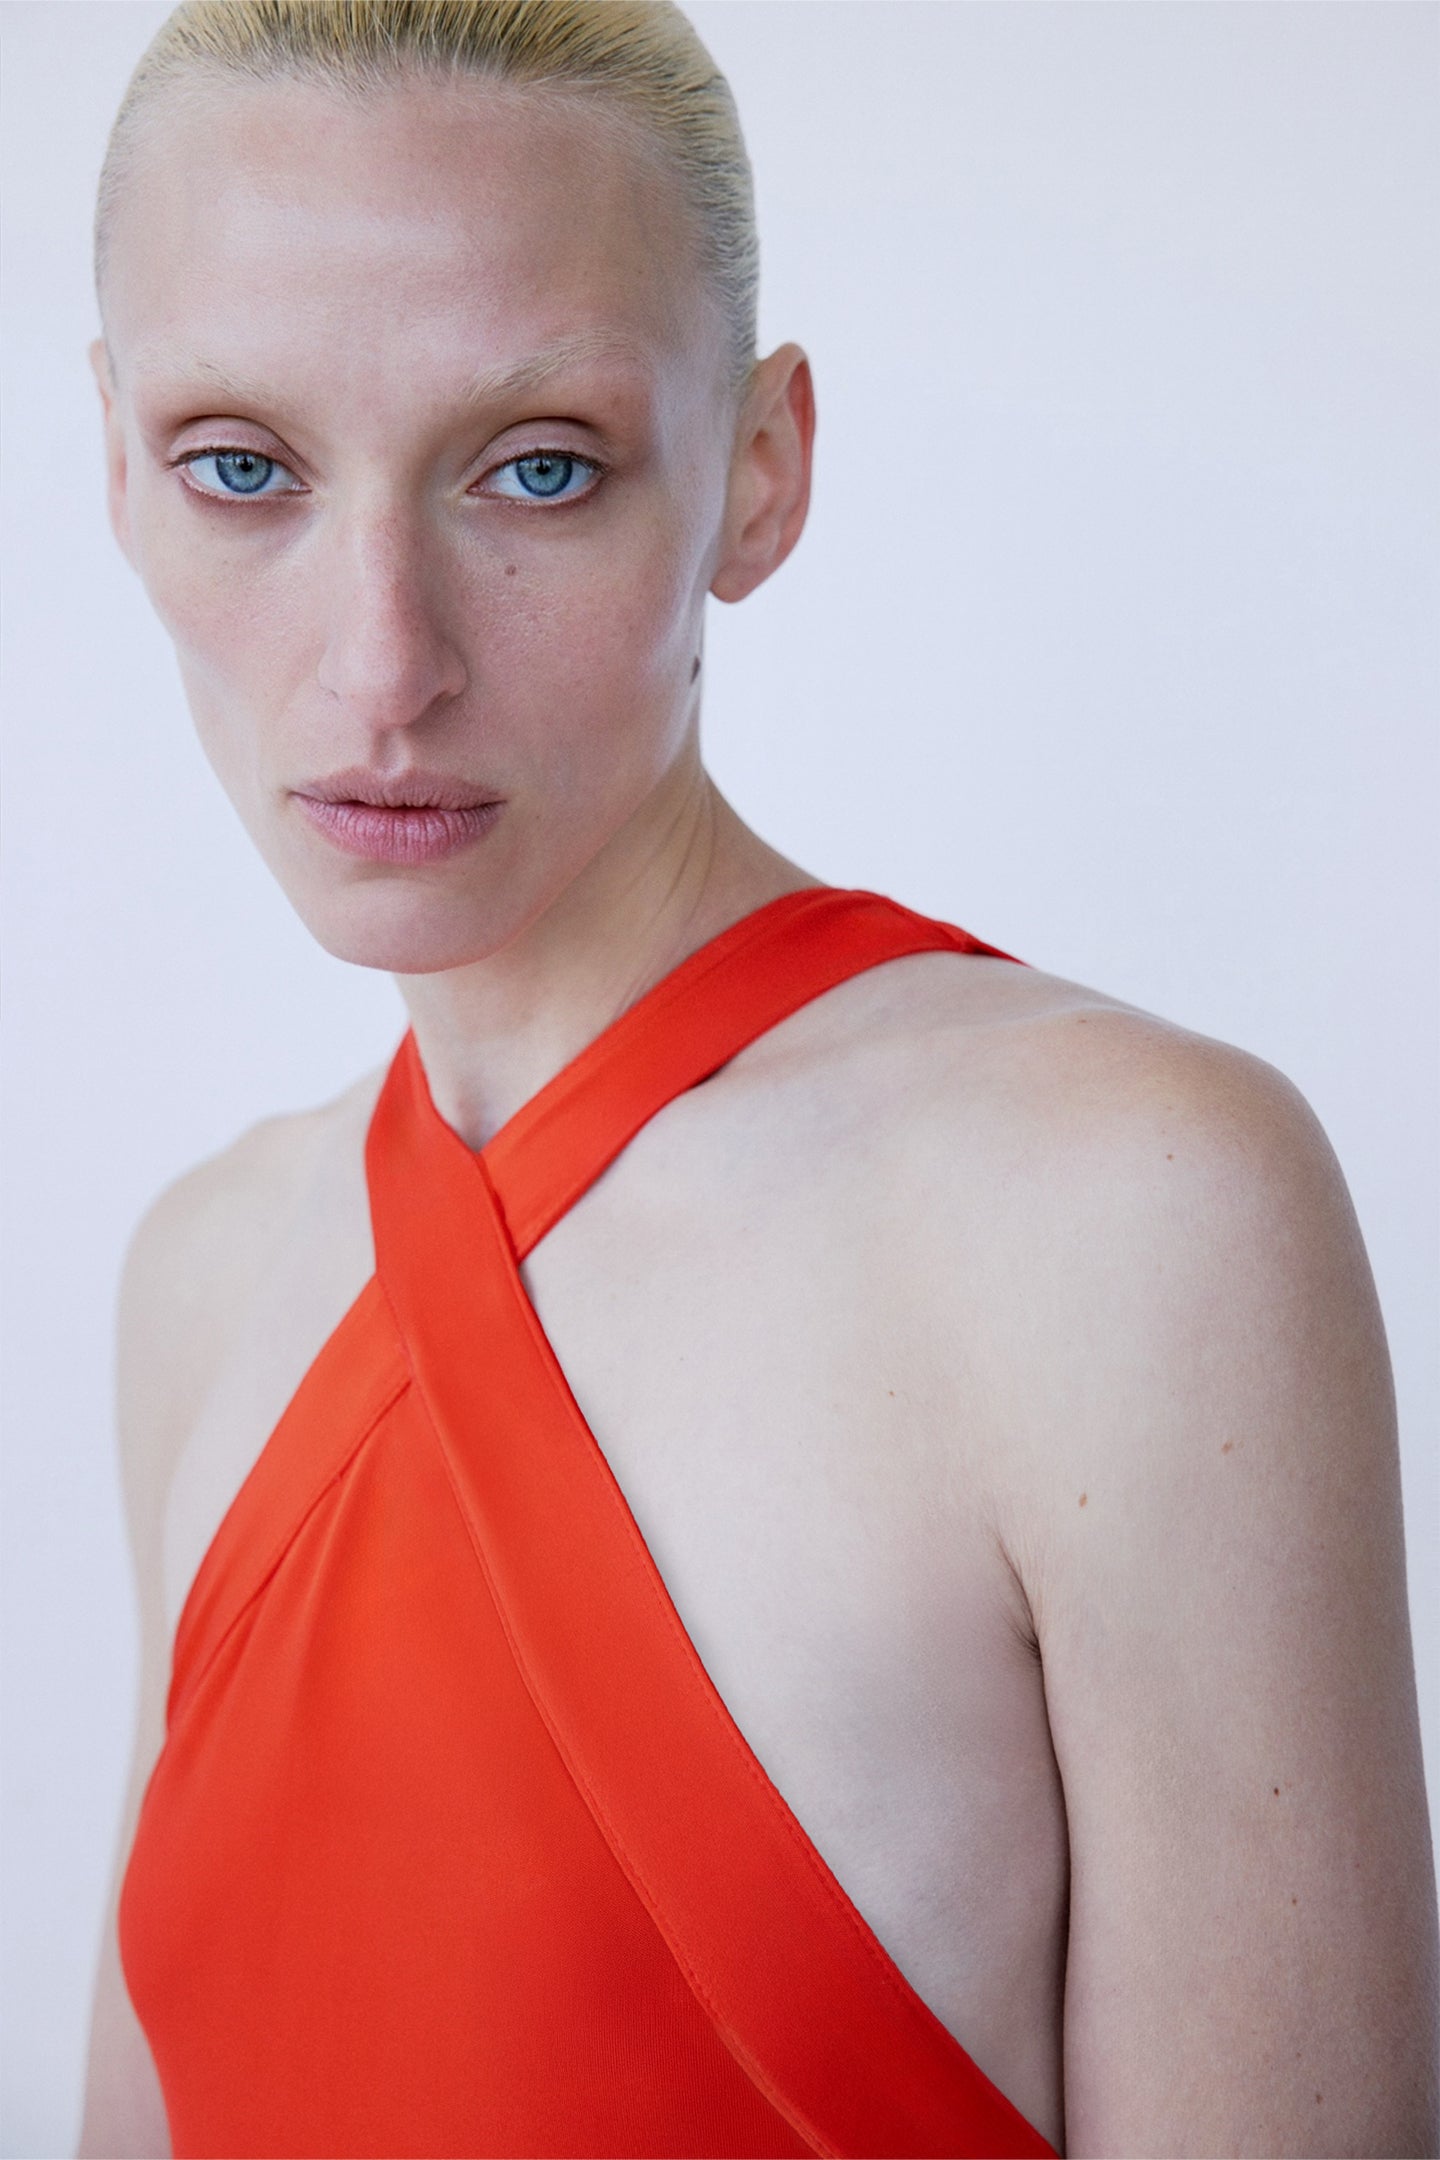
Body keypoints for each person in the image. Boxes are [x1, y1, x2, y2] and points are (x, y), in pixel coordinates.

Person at [74, 2, 1437, 2155]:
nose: (382, 664)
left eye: (538, 464)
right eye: (241, 467)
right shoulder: (206, 1274)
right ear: (113, 461)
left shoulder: (1130, 1212)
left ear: (763, 468)